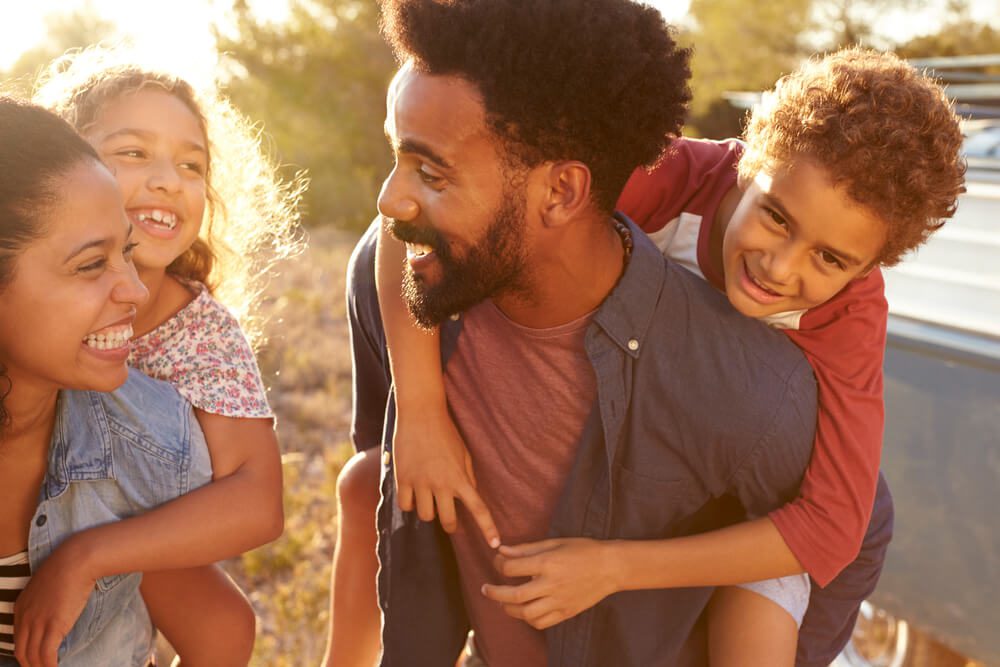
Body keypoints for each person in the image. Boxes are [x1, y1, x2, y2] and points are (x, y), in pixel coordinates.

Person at [334, 0, 869, 665]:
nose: (390, 202)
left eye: (431, 172)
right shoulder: (404, 278)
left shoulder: (755, 391)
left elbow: (853, 528)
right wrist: (418, 409)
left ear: (561, 193)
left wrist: (623, 569)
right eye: (400, 158)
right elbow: (381, 500)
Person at [27, 47, 304, 665]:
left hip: (118, 550)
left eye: (191, 165)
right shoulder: (22, 288)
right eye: (133, 153)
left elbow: (258, 501)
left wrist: (94, 554)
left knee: (225, 623)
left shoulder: (200, 332)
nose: (167, 180)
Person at [0, 96, 207, 667]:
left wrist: (92, 555)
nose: (136, 292)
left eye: (128, 253)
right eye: (92, 264)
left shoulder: (151, 441)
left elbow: (222, 626)